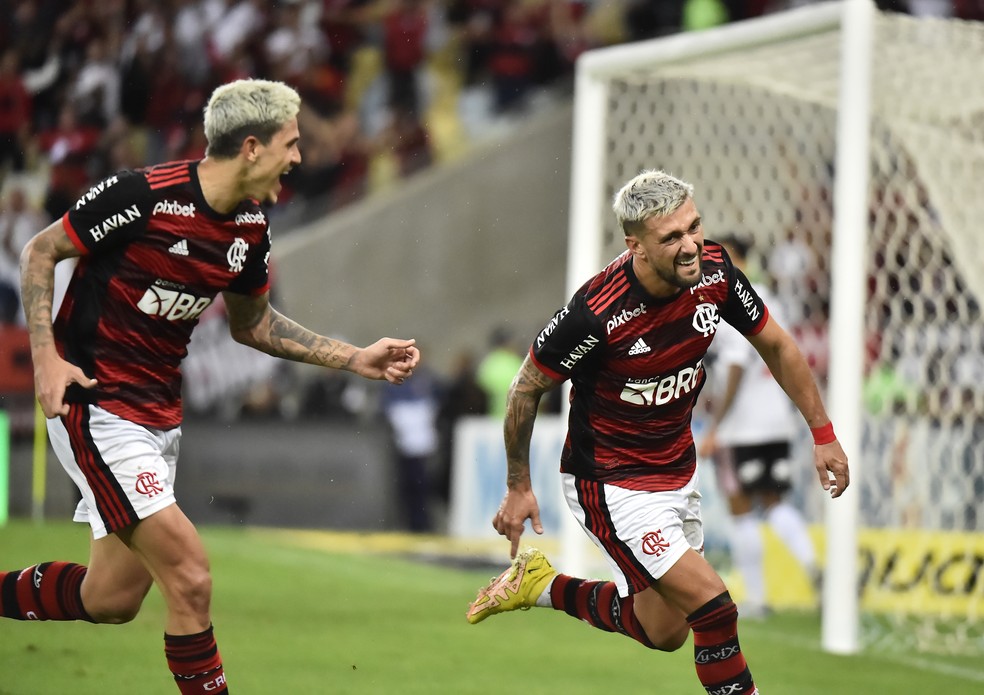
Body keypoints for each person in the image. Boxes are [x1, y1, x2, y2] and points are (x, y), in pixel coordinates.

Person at [2, 78, 420, 695]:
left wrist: (354, 357)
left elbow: (254, 326)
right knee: (192, 576)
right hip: (95, 402)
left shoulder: (250, 228)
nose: (300, 159)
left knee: (112, 597)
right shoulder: (141, 196)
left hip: (158, 417)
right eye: (291, 144)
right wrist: (45, 360)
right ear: (251, 147)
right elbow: (42, 251)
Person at [465, 169, 848, 695]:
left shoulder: (715, 273)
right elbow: (524, 389)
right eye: (671, 237)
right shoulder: (595, 315)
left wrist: (822, 432)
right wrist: (518, 485)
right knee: (715, 607)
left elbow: (777, 345)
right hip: (611, 482)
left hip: (676, 472)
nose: (691, 245)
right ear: (636, 246)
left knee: (664, 630)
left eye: (694, 227)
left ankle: (540, 586)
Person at [698, 233, 818, 619]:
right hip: (777, 419)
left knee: (740, 509)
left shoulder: (731, 295)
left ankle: (758, 598)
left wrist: (716, 425)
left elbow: (735, 363)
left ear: (735, 258)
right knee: (774, 501)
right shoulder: (773, 298)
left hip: (741, 424)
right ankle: (813, 564)